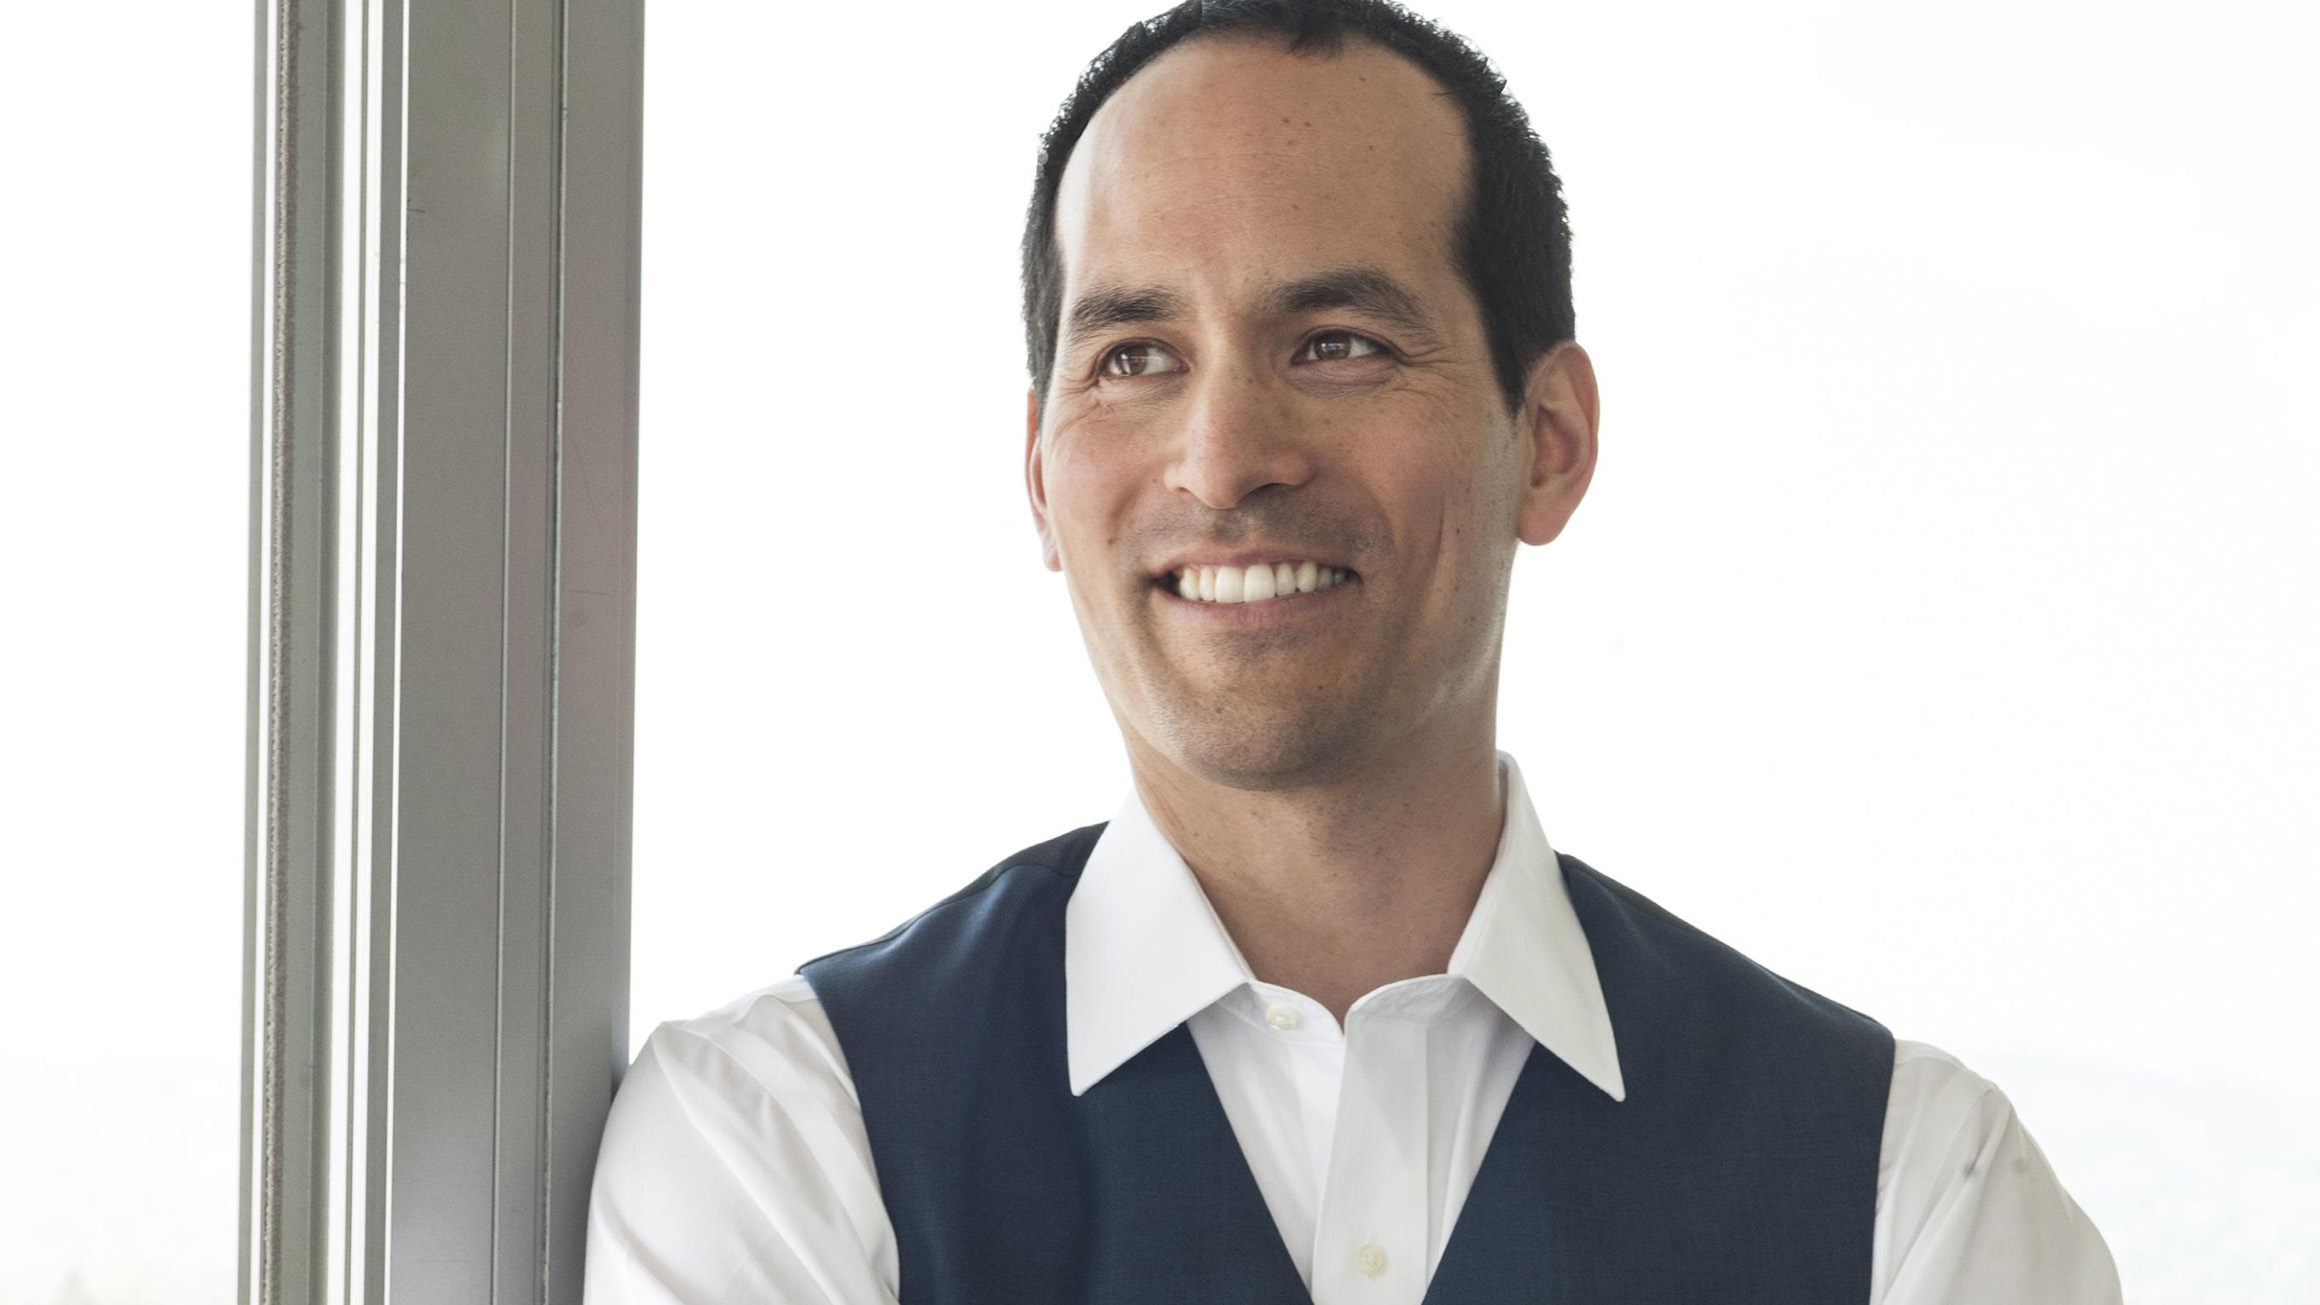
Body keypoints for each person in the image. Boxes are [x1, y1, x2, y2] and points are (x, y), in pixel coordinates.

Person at [584, 1, 2123, 1300]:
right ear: (1040, 474)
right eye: (1134, 356)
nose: (1223, 453)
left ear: (1553, 442)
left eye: (1338, 344)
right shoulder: (780, 1137)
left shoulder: (1912, 1192)